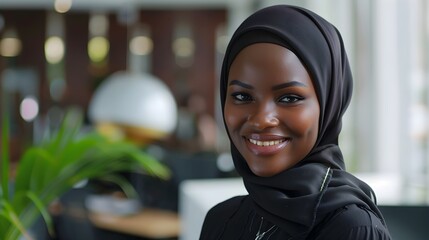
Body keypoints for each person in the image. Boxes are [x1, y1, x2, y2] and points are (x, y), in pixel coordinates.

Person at [199, 5, 392, 240]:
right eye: (242, 96)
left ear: (329, 104)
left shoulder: (352, 230)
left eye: (289, 98)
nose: (261, 119)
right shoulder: (221, 220)